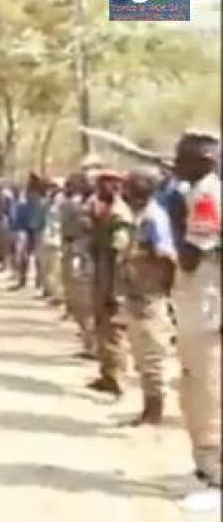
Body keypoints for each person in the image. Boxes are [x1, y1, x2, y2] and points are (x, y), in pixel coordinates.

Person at [170, 131, 221, 507]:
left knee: (206, 386)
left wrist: (172, 217)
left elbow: (192, 254)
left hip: (205, 302)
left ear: (204, 160)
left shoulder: (205, 193)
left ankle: (214, 469)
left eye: (182, 158)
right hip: (198, 300)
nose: (175, 164)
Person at [120, 168, 175, 427]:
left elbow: (166, 257)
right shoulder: (140, 217)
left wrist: (162, 288)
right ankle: (147, 408)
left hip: (150, 296)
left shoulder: (153, 218)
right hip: (138, 293)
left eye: (129, 187)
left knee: (152, 355)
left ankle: (154, 412)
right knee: (142, 355)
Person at [87, 170, 133, 397]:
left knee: (114, 330)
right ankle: (107, 374)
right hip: (101, 276)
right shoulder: (103, 212)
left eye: (104, 185)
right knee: (102, 327)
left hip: (113, 281)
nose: (99, 189)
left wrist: (115, 292)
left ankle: (118, 380)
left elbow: (119, 254)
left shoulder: (119, 215)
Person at [60, 172, 97, 358]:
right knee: (77, 300)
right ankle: (88, 340)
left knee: (85, 300)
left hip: (87, 258)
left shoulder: (92, 206)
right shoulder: (78, 204)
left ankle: (92, 344)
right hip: (76, 252)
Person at [12, 174, 47, 291]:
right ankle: (23, 280)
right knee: (24, 257)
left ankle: (39, 281)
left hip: (37, 232)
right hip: (27, 231)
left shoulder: (40, 203)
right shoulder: (27, 203)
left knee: (38, 258)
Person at [37, 177, 65, 304]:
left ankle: (57, 295)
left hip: (57, 239)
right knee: (46, 266)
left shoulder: (62, 202)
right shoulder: (48, 202)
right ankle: (48, 290)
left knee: (55, 268)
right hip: (47, 237)